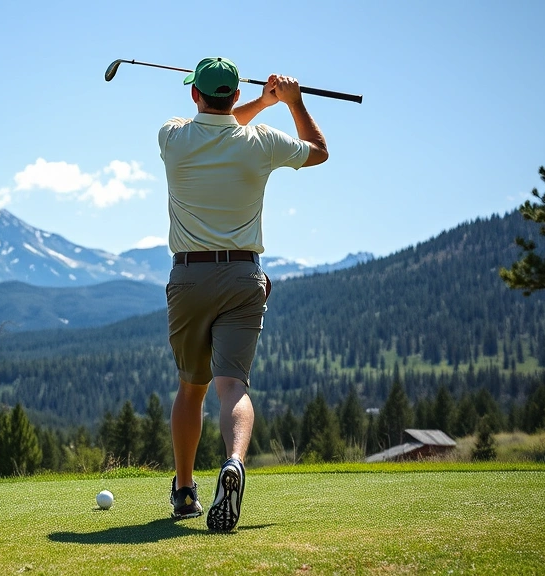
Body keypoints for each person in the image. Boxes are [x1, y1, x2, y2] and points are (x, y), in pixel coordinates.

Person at [158, 56, 328, 531]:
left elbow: (219, 124)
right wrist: (292, 103)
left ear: (195, 94)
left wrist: (262, 101)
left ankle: (185, 491)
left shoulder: (171, 136)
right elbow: (318, 150)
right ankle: (234, 462)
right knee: (232, 385)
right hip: (242, 276)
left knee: (191, 388)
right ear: (234, 95)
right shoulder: (262, 142)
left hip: (189, 277)